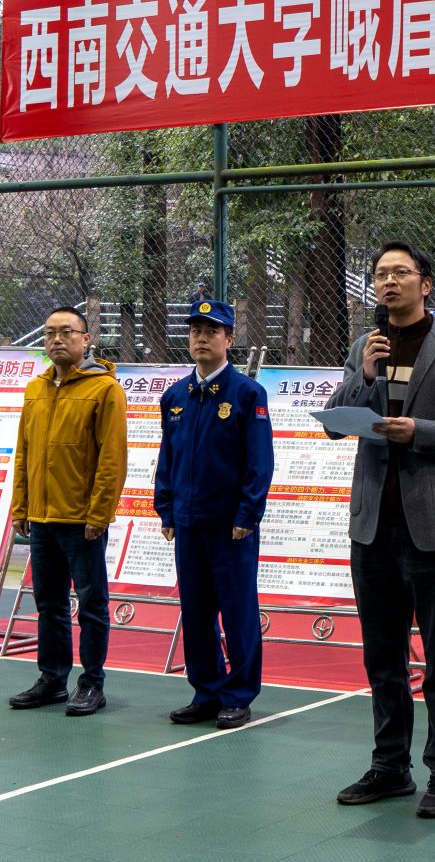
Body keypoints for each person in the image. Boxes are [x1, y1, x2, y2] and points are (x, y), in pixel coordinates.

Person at [323, 241, 435, 819]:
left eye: (400, 272)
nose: (388, 281)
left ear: (425, 284)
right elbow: (335, 424)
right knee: (383, 658)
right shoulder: (365, 347)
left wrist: (419, 431)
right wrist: (364, 376)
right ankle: (390, 766)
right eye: (381, 273)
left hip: (433, 529)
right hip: (373, 526)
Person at [155, 296, 274, 730]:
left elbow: (259, 462)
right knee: (196, 610)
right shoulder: (176, 396)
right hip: (188, 522)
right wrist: (166, 509)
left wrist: (247, 513)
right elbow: (168, 457)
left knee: (237, 609)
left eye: (211, 331)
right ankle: (205, 691)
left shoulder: (247, 394)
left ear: (229, 338)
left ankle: (238, 695)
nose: (202, 338)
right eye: (195, 331)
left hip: (230, 526)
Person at [8, 305, 127, 717]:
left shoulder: (104, 389)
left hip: (82, 521)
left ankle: (92, 683)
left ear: (85, 339)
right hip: (41, 519)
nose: (57, 339)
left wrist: (99, 514)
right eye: (50, 333)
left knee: (91, 604)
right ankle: (52, 679)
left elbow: (112, 458)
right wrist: (21, 506)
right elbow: (24, 453)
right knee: (49, 604)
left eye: (66, 332)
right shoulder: (35, 389)